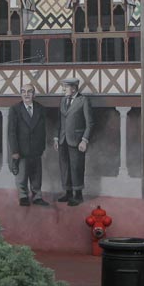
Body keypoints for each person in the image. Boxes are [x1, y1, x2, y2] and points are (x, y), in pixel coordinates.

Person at [54, 77, 93, 206]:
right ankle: (68, 193)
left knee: (76, 167)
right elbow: (59, 121)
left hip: (77, 141)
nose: (63, 89)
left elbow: (90, 123)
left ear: (74, 88)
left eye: (65, 86)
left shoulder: (83, 100)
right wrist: (56, 138)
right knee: (65, 167)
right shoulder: (63, 100)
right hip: (62, 139)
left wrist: (84, 140)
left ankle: (78, 195)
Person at [8, 84, 49, 206]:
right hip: (21, 149)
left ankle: (37, 196)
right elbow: (11, 132)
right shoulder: (15, 109)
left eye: (29, 91)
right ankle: (23, 196)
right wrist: (14, 151)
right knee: (22, 175)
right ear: (21, 94)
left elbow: (43, 129)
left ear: (34, 94)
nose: (26, 94)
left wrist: (42, 147)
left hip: (36, 149)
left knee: (36, 175)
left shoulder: (41, 108)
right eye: (24, 91)